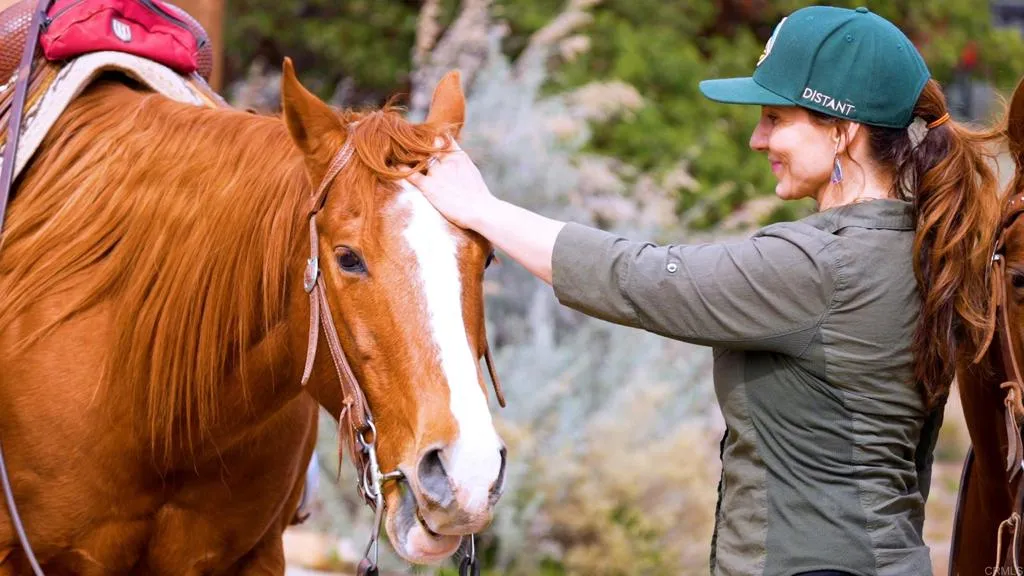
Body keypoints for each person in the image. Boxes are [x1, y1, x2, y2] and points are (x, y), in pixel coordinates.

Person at [408, 6, 1000, 576]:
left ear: (842, 132)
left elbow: (637, 278)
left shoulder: (822, 265)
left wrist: (481, 210)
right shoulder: (924, 250)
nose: (756, 139)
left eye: (774, 118)